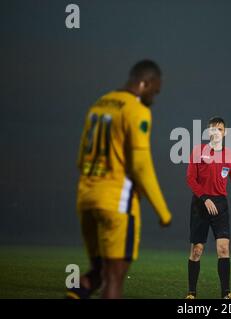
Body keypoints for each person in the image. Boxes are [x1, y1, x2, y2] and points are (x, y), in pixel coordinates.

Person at [67, 60, 172, 299]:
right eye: (154, 91)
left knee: (98, 272)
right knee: (114, 278)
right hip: (116, 202)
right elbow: (141, 166)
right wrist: (163, 212)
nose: (154, 98)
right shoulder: (137, 111)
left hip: (86, 198)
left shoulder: (99, 104)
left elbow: (80, 157)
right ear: (145, 83)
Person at [185, 117, 231, 299]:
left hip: (220, 205)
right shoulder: (198, 151)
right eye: (213, 129)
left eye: (219, 129)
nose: (216, 132)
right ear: (208, 132)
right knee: (197, 250)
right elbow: (190, 179)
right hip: (200, 204)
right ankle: (191, 293)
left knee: (223, 249)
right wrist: (204, 198)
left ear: (225, 132)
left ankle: (226, 294)